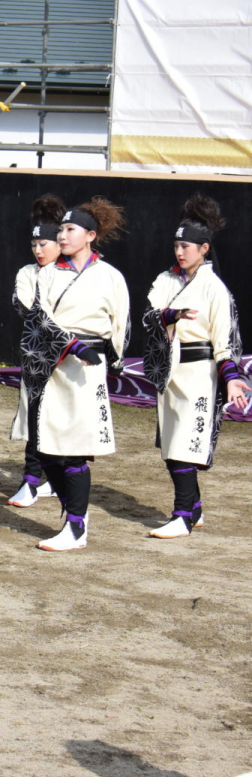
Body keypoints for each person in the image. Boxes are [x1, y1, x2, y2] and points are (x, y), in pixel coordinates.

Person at [20, 197, 130, 552]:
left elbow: (120, 325)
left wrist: (112, 361)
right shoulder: (48, 274)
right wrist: (67, 345)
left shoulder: (110, 276)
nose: (62, 236)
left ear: (91, 236)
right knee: (46, 446)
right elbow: (39, 318)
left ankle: (76, 526)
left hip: (88, 367)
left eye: (70, 230)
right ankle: (72, 513)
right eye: (62, 230)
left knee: (76, 450)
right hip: (54, 364)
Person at [143, 194, 249, 539]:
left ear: (204, 249)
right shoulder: (166, 280)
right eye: (177, 245)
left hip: (200, 373)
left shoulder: (214, 289)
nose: (180, 252)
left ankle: (183, 515)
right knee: (172, 445)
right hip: (170, 370)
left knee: (187, 444)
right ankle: (195, 506)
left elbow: (225, 341)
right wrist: (170, 315)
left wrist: (232, 379)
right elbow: (148, 315)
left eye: (186, 246)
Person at [7, 195, 65, 508]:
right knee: (35, 418)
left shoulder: (76, 274)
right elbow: (29, 309)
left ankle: (56, 481)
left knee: (64, 422)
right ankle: (30, 481)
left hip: (71, 361)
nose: (38, 250)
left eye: (45, 244)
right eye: (34, 245)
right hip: (38, 359)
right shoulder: (28, 274)